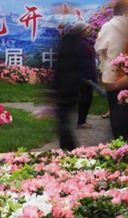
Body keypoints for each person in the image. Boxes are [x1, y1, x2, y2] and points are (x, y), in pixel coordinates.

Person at [95, 0, 128, 140]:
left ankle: (119, 142)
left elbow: (99, 47)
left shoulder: (108, 26)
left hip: (112, 73)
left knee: (115, 107)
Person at [52, 21, 91, 150]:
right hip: (72, 87)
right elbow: (82, 65)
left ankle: (69, 147)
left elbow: (58, 67)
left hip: (62, 86)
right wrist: (85, 78)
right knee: (63, 119)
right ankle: (71, 148)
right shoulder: (80, 45)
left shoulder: (64, 43)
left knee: (62, 119)